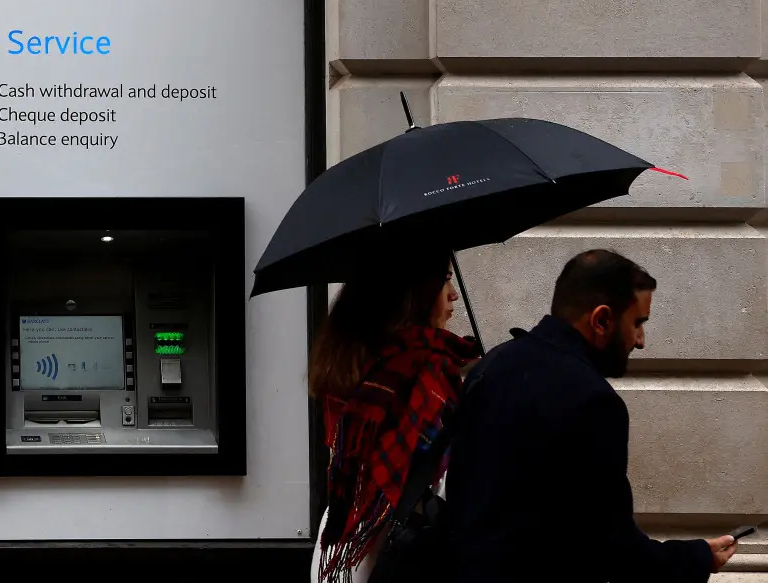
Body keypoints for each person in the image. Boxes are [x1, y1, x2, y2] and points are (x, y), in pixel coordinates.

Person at [444, 249, 739, 583]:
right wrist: (697, 557)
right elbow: (614, 550)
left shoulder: (490, 366)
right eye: (637, 323)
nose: (640, 341)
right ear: (601, 320)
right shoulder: (592, 401)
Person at [308, 251, 482, 583]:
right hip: (403, 548)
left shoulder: (350, 361)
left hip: (346, 545)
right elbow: (450, 481)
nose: (453, 294)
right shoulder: (425, 370)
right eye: (445, 280)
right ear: (412, 294)